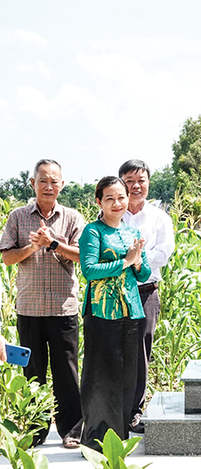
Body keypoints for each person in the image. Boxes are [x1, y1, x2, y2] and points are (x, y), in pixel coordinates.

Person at [0, 159, 84, 449]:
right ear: (32, 183)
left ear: (62, 184)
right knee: (32, 371)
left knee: (66, 371)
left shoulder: (72, 218)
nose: (49, 186)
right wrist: (33, 246)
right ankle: (35, 431)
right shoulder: (18, 217)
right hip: (30, 308)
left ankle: (71, 430)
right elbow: (7, 257)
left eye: (54, 181)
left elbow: (82, 256)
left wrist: (53, 244)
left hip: (63, 308)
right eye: (43, 180)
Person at [79, 176, 151, 451]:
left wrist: (137, 261)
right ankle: (97, 439)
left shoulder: (130, 232)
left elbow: (143, 273)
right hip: (101, 311)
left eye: (121, 197)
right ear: (99, 202)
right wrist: (125, 261)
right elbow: (89, 270)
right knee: (101, 374)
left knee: (127, 375)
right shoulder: (93, 232)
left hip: (131, 309)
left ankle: (119, 437)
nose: (117, 203)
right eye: (110, 198)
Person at [118, 159, 174, 433]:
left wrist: (133, 260)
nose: (136, 186)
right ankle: (111, 411)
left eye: (141, 180)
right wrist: (129, 260)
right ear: (121, 183)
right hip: (114, 293)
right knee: (112, 350)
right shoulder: (112, 215)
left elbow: (163, 254)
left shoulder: (159, 218)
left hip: (145, 293)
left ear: (148, 183)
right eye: (129, 181)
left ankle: (134, 412)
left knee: (140, 353)